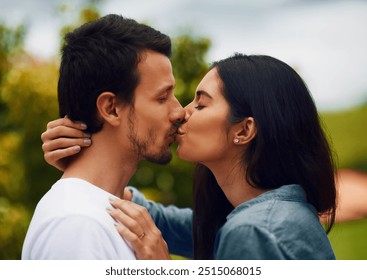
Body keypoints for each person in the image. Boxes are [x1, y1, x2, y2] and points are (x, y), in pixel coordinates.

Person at [42, 54, 337, 260]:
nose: (183, 112)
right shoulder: (276, 213)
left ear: (244, 130)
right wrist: (89, 164)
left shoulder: (253, 232)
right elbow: (166, 223)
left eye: (201, 104)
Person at [22, 14, 183, 260]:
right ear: (111, 108)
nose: (179, 111)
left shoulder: (100, 213)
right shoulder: (77, 225)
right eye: (162, 97)